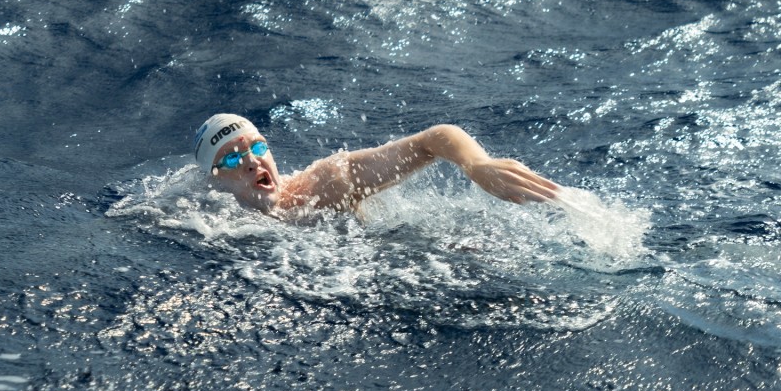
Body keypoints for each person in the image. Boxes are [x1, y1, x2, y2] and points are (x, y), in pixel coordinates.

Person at [193, 113, 560, 216]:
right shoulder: (206, 224)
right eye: (232, 156)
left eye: (257, 146)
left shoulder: (324, 183)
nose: (252, 160)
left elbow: (432, 140)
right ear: (214, 181)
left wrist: (478, 164)